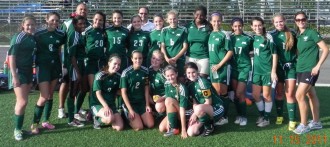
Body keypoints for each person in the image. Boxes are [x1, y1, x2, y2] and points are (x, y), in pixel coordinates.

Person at [293, 11, 329, 135]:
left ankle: (304, 125)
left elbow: (325, 49)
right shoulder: (298, 35)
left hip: (311, 70)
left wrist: (317, 66)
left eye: (303, 19)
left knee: (299, 95)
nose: (301, 21)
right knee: (311, 95)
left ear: (306, 20)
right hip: (300, 69)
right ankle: (316, 122)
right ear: (295, 22)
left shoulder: (312, 33)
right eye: (298, 20)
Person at [31, 12, 66, 134]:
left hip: (55, 66)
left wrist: (61, 65)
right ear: (46, 20)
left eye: (57, 21)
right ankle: (34, 124)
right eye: (52, 20)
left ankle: (45, 121)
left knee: (50, 95)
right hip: (43, 67)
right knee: (44, 96)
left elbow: (59, 49)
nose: (55, 23)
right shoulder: (39, 34)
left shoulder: (61, 34)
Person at [59, 3, 90, 119]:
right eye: (81, 9)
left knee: (77, 84)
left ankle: (76, 108)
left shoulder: (88, 24)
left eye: (85, 9)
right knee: (66, 83)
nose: (83, 11)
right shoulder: (67, 23)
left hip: (81, 61)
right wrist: (60, 57)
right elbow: (60, 41)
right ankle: (61, 108)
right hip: (69, 60)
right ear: (76, 10)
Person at [9, 15, 37, 141]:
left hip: (28, 72)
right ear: (23, 25)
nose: (30, 27)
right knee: (22, 102)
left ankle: (19, 128)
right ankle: (16, 130)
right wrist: (14, 76)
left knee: (23, 101)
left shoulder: (32, 38)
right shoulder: (18, 37)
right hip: (18, 72)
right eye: (28, 25)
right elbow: (11, 58)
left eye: (32, 24)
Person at [270, 13, 297, 130]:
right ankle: (280, 116)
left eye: (280, 21)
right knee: (279, 93)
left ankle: (292, 120)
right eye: (276, 22)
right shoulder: (271, 35)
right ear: (273, 23)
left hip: (291, 67)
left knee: (290, 93)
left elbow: (298, 50)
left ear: (284, 21)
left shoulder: (292, 34)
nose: (279, 24)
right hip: (278, 68)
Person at [251, 17, 278, 127]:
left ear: (263, 25)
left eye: (259, 25)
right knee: (255, 95)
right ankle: (262, 115)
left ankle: (266, 119)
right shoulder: (253, 38)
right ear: (252, 27)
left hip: (267, 71)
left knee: (266, 95)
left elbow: (274, 54)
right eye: (255, 26)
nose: (257, 27)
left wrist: (273, 71)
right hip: (256, 72)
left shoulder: (268, 37)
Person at [207, 12, 233, 126]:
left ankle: (225, 116)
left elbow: (230, 52)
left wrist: (219, 65)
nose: (216, 23)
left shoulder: (224, 34)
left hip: (222, 67)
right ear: (211, 22)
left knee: (223, 92)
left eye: (218, 21)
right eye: (214, 21)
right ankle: (219, 115)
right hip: (213, 67)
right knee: (216, 92)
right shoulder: (210, 34)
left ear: (221, 21)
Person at [186, 62, 224, 137]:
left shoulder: (203, 82)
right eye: (188, 73)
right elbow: (194, 101)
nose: (191, 75)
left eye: (193, 72)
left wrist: (195, 113)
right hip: (200, 110)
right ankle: (206, 122)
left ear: (197, 71)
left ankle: (209, 127)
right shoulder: (190, 85)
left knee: (198, 109)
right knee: (191, 132)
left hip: (216, 108)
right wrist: (195, 112)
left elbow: (208, 102)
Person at [120, 50, 154, 130]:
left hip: (141, 103)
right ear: (131, 59)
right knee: (139, 127)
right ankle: (125, 115)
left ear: (142, 59)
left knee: (150, 124)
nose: (138, 60)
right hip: (131, 103)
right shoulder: (126, 73)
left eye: (140, 58)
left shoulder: (145, 71)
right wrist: (130, 110)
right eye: (135, 58)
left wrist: (147, 104)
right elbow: (123, 93)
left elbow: (146, 88)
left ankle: (139, 116)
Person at [229, 17, 253, 126]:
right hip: (234, 67)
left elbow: (254, 52)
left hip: (245, 68)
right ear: (232, 27)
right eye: (235, 26)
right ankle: (239, 115)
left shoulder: (248, 38)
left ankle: (244, 116)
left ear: (242, 26)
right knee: (236, 94)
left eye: (239, 26)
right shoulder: (229, 38)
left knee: (240, 92)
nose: (237, 28)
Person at [90, 54, 124, 131]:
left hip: (111, 105)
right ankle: (96, 119)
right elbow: (98, 94)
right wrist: (105, 106)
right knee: (109, 119)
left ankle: (111, 115)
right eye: (114, 64)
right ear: (109, 63)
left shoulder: (119, 76)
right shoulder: (100, 75)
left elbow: (120, 92)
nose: (117, 66)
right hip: (98, 104)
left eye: (119, 64)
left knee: (119, 127)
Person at [66, 15, 87, 127]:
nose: (83, 25)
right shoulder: (74, 34)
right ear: (74, 24)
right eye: (80, 24)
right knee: (72, 92)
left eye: (84, 23)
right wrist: (77, 72)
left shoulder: (79, 34)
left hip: (80, 65)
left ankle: (75, 113)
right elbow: (72, 55)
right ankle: (70, 119)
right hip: (75, 66)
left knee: (81, 89)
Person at [83, 11, 107, 107]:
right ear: (93, 19)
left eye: (100, 20)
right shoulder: (87, 31)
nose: (98, 21)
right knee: (93, 87)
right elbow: (82, 45)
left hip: (101, 62)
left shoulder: (104, 32)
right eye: (96, 19)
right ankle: (92, 109)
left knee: (101, 86)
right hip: (91, 62)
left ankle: (100, 106)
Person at [159, 65, 190, 139]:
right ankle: (173, 126)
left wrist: (184, 130)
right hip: (176, 110)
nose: (170, 77)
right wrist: (169, 121)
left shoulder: (182, 88)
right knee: (162, 128)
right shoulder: (167, 83)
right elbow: (167, 105)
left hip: (186, 112)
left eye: (172, 74)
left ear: (176, 74)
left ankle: (176, 128)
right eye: (168, 75)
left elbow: (182, 109)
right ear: (165, 76)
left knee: (168, 100)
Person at [160, 10, 188, 81]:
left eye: (174, 18)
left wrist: (175, 58)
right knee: (168, 78)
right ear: (167, 20)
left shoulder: (183, 29)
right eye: (170, 19)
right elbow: (162, 46)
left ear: (177, 18)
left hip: (179, 59)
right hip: (168, 60)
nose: (172, 20)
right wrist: (166, 58)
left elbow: (185, 47)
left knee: (180, 78)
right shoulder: (164, 30)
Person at [185, 5, 212, 77]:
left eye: (202, 15)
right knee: (190, 79)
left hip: (204, 57)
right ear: (194, 14)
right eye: (197, 14)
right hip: (190, 56)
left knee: (202, 79)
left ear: (205, 16)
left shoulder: (209, 27)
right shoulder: (188, 26)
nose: (199, 17)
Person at [148, 50, 166, 114]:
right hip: (153, 97)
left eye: (158, 60)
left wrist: (162, 98)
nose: (154, 61)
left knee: (159, 107)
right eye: (153, 58)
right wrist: (148, 97)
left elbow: (170, 89)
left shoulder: (163, 73)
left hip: (163, 97)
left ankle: (164, 114)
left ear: (161, 61)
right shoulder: (148, 71)